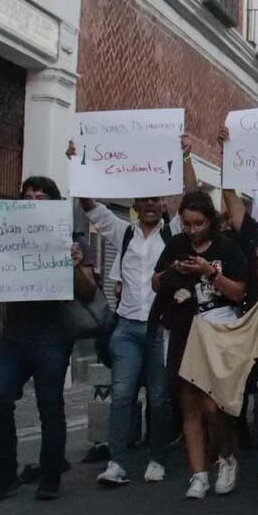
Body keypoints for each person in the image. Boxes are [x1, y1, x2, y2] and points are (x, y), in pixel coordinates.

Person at [77, 135, 195, 487]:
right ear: (135, 203)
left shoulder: (174, 233)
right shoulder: (122, 232)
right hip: (127, 329)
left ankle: (157, 458)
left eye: (155, 198)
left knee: (159, 398)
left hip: (161, 329)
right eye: (143, 198)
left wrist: (186, 157)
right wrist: (78, 163)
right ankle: (117, 463)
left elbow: (191, 198)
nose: (149, 204)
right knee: (123, 394)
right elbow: (88, 203)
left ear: (162, 204)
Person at [0, 177, 97, 501]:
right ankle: (5, 474)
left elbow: (88, 292)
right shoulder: (9, 236)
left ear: (54, 204)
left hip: (52, 338)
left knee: (50, 405)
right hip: (12, 336)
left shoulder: (74, 240)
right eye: (28, 196)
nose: (33, 201)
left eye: (40, 197)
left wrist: (71, 265)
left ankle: (51, 474)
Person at [149, 190, 248, 499]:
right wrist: (171, 272)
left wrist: (210, 273)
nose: (192, 230)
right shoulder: (177, 245)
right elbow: (155, 281)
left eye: (199, 223)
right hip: (182, 328)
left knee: (213, 404)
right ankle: (198, 474)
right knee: (188, 402)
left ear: (211, 221)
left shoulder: (227, 248)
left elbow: (239, 292)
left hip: (217, 331)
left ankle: (226, 456)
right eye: (187, 223)